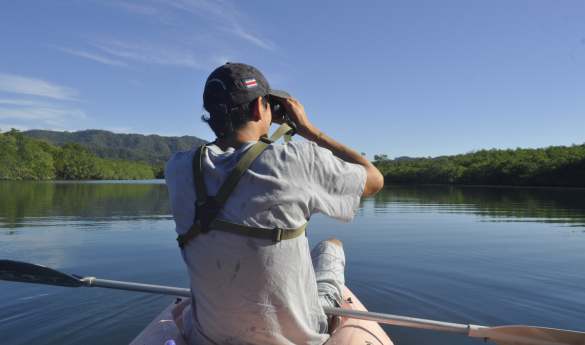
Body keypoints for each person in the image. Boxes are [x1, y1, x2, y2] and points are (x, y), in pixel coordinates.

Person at [165, 62, 384, 345]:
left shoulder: (178, 169)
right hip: (300, 337)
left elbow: (230, 158)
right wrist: (307, 129)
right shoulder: (296, 160)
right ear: (259, 107)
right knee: (331, 245)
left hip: (208, 337)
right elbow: (374, 179)